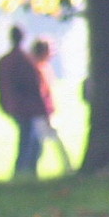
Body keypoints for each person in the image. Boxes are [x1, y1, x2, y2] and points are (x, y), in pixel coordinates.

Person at [0, 25, 51, 179]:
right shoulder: (26, 60)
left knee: (27, 139)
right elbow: (33, 86)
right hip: (27, 108)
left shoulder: (4, 61)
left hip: (13, 106)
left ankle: (23, 172)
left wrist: (3, 104)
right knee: (31, 142)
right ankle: (25, 172)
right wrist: (43, 109)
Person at [29, 38, 73, 174]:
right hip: (40, 113)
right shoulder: (36, 69)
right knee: (39, 144)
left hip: (44, 111)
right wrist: (47, 112)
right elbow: (41, 93)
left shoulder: (44, 67)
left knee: (42, 144)